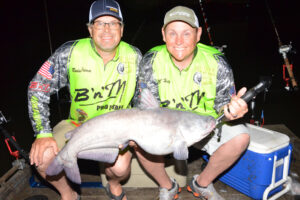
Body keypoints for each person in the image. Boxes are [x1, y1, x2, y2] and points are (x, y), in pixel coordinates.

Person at [27, 0, 146, 199]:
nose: (107, 29)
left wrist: (136, 132)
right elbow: (36, 88)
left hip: (116, 128)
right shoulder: (69, 52)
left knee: (120, 167)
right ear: (90, 29)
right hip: (77, 124)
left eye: (113, 23)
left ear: (122, 29)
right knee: (42, 157)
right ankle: (70, 194)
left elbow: (143, 101)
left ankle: (113, 185)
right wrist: (42, 133)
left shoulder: (135, 56)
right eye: (100, 23)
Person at [134, 6, 250, 200]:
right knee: (137, 140)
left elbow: (223, 102)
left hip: (206, 126)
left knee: (241, 137)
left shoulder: (216, 61)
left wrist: (232, 110)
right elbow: (145, 108)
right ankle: (167, 186)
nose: (179, 41)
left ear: (198, 34)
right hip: (166, 128)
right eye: (172, 33)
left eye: (187, 33)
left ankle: (201, 183)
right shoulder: (150, 61)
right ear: (163, 35)